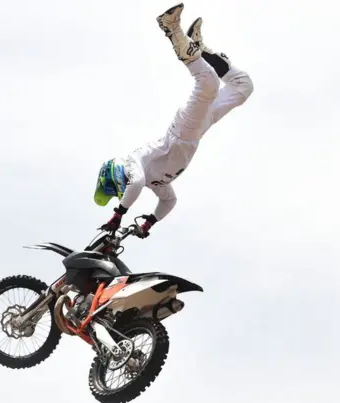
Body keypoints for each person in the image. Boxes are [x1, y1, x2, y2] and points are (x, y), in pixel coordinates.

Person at [93, 3, 254, 238]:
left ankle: (171, 28)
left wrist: (118, 214)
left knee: (207, 81)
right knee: (243, 86)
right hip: (197, 131)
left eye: (112, 187)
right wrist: (148, 223)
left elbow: (135, 185)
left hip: (184, 129)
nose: (117, 191)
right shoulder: (154, 182)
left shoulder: (133, 163)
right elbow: (170, 201)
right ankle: (199, 47)